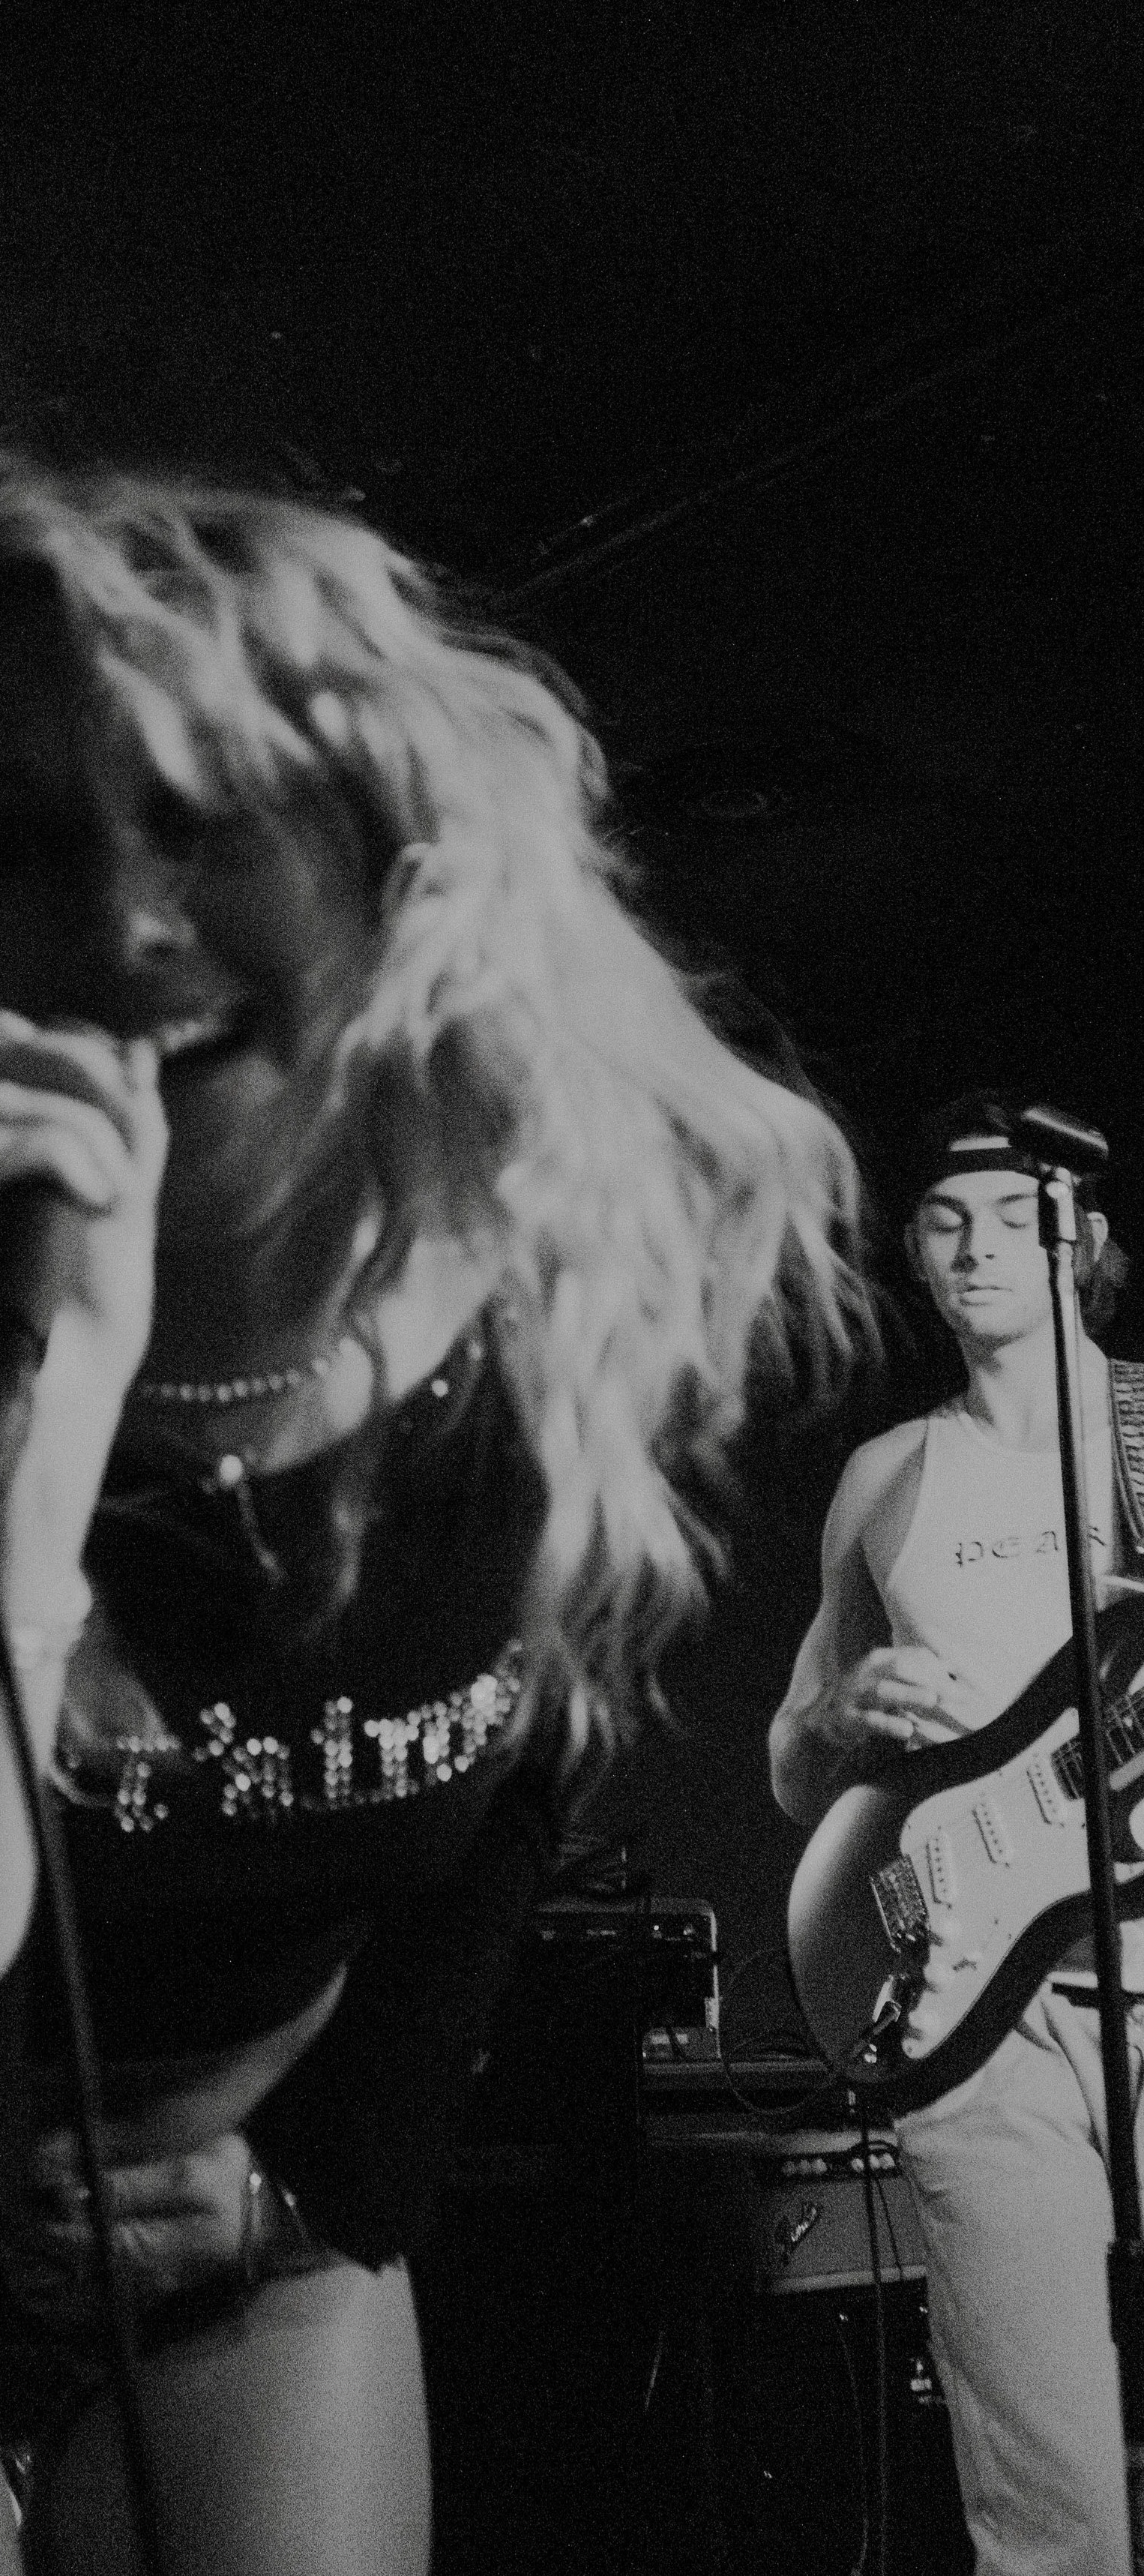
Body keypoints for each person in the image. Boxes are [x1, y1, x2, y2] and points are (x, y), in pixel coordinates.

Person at [0, 431, 861, 2576]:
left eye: (201, 816)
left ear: (382, 850)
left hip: (244, 2250)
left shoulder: (546, 1319)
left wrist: (309, 2189)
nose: (121, 922)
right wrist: (27, 1434)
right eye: (16, 843)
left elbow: (509, 1800)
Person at [771, 1095, 1144, 2576]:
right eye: (945, 1222)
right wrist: (835, 1713)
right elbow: (795, 1769)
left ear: (1084, 1240)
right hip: (973, 2018)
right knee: (1050, 2513)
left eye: (1011, 1216)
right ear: (917, 1259)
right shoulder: (886, 1477)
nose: (978, 1246)